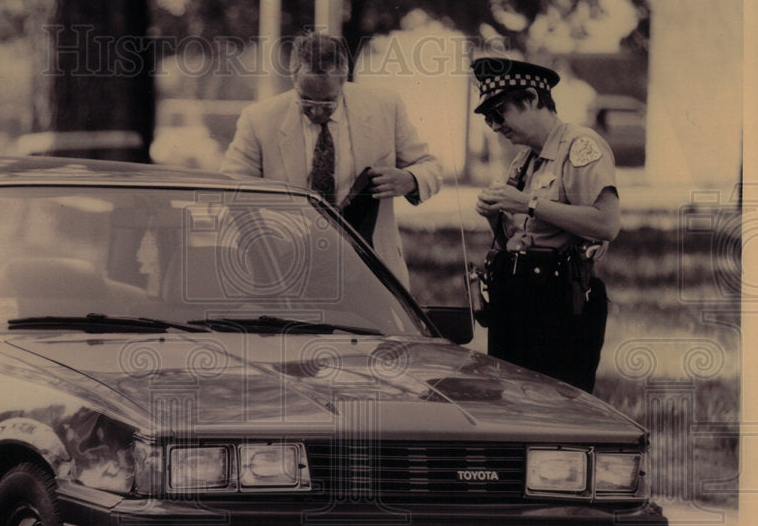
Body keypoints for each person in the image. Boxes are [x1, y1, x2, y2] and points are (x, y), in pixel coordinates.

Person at [222, 31, 443, 288]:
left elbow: (431, 166)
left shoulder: (385, 108)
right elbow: (232, 190)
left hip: (370, 270)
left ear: (344, 81)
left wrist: (410, 179)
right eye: (305, 99)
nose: (316, 110)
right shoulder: (258, 119)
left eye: (328, 102)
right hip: (286, 271)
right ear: (293, 78)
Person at [471, 56, 618, 393]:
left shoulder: (581, 147)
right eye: (488, 118)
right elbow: (519, 237)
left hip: (559, 304)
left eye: (499, 113)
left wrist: (528, 203)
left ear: (533, 99)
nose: (494, 126)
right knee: (510, 408)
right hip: (518, 299)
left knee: (555, 412)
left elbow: (607, 223)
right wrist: (496, 215)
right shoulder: (525, 160)